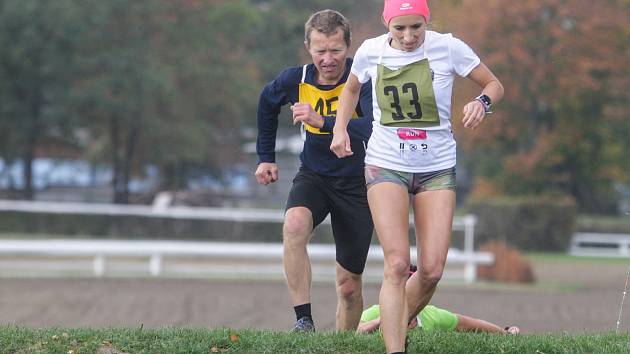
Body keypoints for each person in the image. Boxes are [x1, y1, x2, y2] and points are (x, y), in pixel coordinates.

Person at [330, 1, 504, 352]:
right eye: (400, 28)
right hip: (386, 163)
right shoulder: (370, 52)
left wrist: (481, 103)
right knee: (396, 263)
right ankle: (396, 347)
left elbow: (493, 83)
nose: (409, 37)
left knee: (432, 269)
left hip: (436, 167)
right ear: (386, 24)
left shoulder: (449, 47)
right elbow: (350, 89)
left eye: (416, 28)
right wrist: (340, 129)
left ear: (426, 22)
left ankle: (386, 323)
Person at [255, 9, 374, 332]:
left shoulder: (362, 80)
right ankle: (303, 320)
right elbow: (266, 104)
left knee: (348, 286)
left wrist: (325, 122)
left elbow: (373, 126)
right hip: (315, 177)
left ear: (348, 47)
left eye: (335, 50)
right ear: (308, 47)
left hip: (357, 184)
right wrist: (266, 157)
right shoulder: (296, 79)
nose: (328, 59)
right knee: (294, 223)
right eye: (320, 50)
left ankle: (343, 345)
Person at [357, 266, 520, 335]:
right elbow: (353, 332)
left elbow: (470, 323)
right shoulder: (377, 311)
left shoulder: (430, 315)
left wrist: (504, 333)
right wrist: (381, 321)